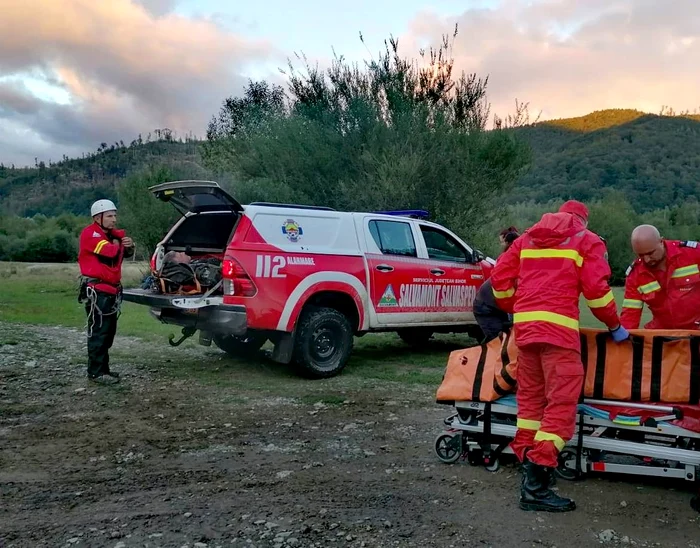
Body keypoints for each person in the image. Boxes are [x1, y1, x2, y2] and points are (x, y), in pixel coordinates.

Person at [490, 200, 628, 512]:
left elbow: (499, 280)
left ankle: (531, 473)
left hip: (526, 333)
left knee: (530, 406)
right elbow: (597, 292)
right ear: (582, 219)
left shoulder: (525, 240)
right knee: (560, 408)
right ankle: (536, 487)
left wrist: (516, 307)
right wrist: (614, 324)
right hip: (559, 334)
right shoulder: (587, 240)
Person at [78, 199, 134, 385]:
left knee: (108, 333)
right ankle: (95, 372)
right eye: (110, 216)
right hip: (97, 291)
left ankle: (104, 369)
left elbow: (120, 253)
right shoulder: (90, 234)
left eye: (115, 215)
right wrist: (120, 243)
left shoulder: (111, 236)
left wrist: (129, 246)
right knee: (99, 333)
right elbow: (109, 252)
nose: (114, 220)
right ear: (97, 217)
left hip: (110, 291)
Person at [621, 224, 700, 330]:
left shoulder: (693, 253)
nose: (647, 259)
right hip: (663, 335)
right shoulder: (635, 275)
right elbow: (630, 316)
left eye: (650, 253)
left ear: (661, 242)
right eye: (641, 255)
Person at [473, 227, 520, 342]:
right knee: (496, 342)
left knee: (504, 340)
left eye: (502, 242)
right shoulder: (510, 260)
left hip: (497, 306)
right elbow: (502, 285)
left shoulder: (511, 258)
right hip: (487, 307)